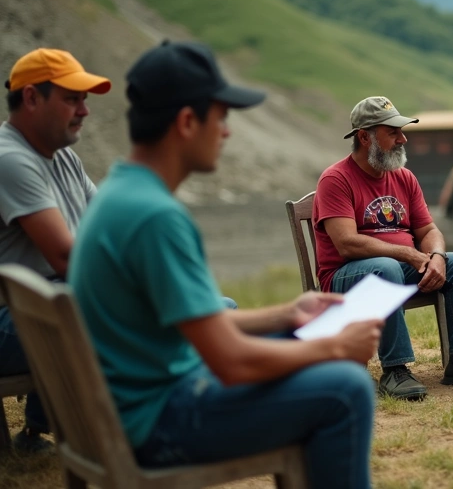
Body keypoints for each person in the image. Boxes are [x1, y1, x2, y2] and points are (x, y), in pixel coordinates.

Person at [70, 41, 380, 488]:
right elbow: (230, 362)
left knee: (296, 331)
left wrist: (289, 313)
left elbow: (200, 324)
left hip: (132, 401)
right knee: (345, 391)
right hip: (154, 422)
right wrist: (337, 347)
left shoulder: (123, 192)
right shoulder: (156, 217)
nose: (227, 132)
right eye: (221, 117)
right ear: (187, 122)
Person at [313, 96, 453, 400]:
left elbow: (428, 230)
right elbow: (346, 243)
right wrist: (409, 253)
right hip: (348, 277)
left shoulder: (404, 177)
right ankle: (395, 369)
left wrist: (436, 256)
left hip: (400, 269)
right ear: (364, 137)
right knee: (384, 269)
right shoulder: (335, 179)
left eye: (402, 131)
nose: (403, 138)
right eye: (393, 132)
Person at [0, 48, 110, 452]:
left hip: (50, 305)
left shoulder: (65, 157)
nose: (84, 111)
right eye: (72, 98)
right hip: (10, 319)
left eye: (84, 100)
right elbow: (68, 257)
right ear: (31, 98)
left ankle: (40, 433)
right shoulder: (10, 160)